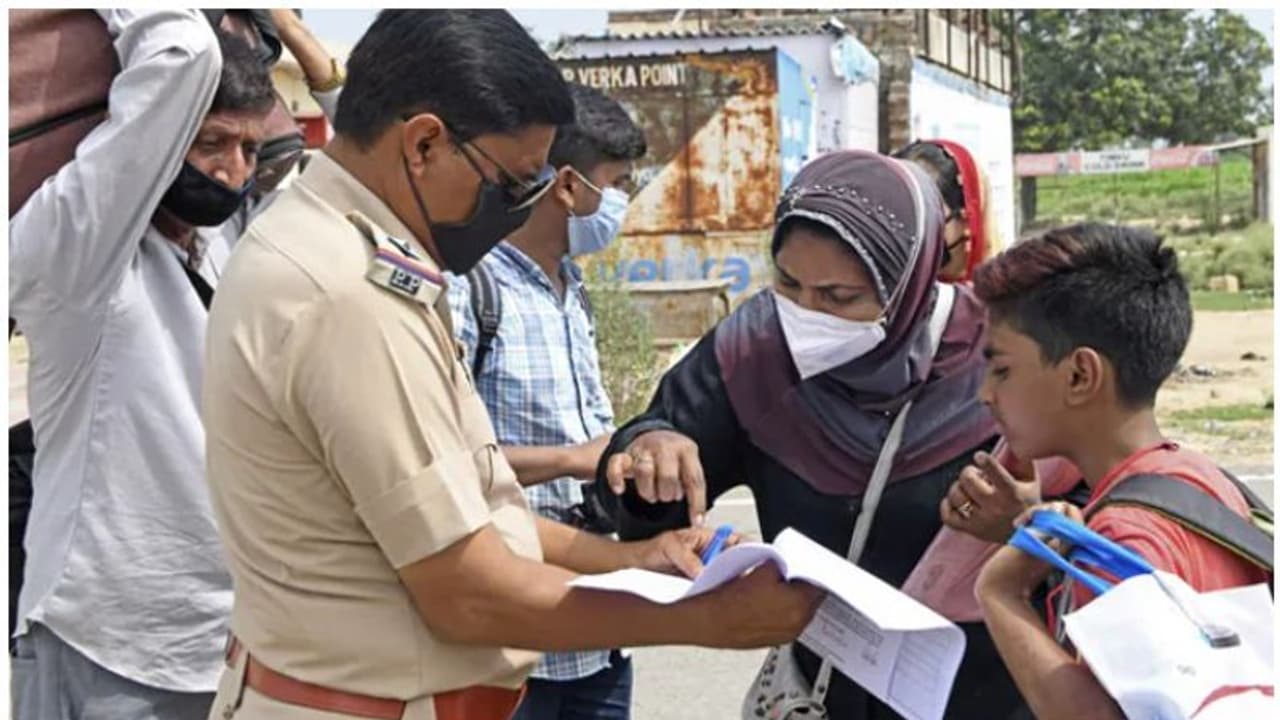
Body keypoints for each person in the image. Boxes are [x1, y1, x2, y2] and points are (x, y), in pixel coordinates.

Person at [201, 11, 822, 720]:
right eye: (515, 181)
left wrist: (633, 563)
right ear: (425, 143)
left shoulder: (334, 247)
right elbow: (467, 591)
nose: (523, 207)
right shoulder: (347, 295)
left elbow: (473, 509)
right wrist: (701, 622)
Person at [598, 149, 1029, 718]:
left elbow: (1103, 509)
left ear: (910, 281)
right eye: (788, 283)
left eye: (838, 297)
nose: (806, 314)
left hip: (979, 696)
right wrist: (649, 449)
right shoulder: (753, 350)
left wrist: (1029, 520)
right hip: (825, 692)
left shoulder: (1000, 355)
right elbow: (647, 504)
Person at [8, 9, 275, 719]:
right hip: (109, 648)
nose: (233, 170)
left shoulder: (215, 251)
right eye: (212, 142)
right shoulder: (80, 257)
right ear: (158, 137)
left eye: (248, 149)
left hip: (219, 646)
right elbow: (181, 55)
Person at [966, 223, 1270, 720]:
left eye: (1001, 369)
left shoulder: (1123, 536)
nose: (985, 394)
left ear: (1081, 375)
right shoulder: (1197, 480)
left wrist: (1000, 593)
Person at [445, 82, 645, 720]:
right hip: (516, 645)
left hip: (600, 630)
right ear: (566, 186)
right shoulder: (470, 290)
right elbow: (442, 462)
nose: (623, 202)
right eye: (618, 183)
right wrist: (568, 460)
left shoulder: (572, 288)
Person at [892, 139, 1001, 283]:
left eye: (927, 217)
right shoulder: (881, 296)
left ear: (967, 217)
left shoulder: (1007, 298)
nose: (910, 233)